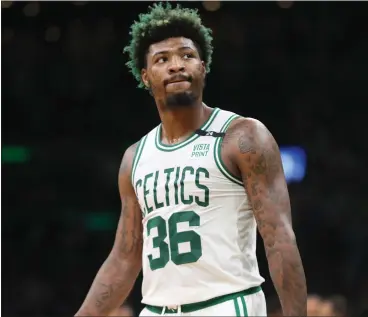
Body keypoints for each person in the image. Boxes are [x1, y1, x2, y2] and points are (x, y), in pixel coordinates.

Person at [75, 3, 307, 316]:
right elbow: (124, 258)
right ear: (145, 76)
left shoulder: (242, 137)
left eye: (187, 55)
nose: (176, 65)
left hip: (227, 304)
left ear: (203, 67)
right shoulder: (135, 158)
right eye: (162, 59)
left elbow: (279, 238)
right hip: (156, 310)